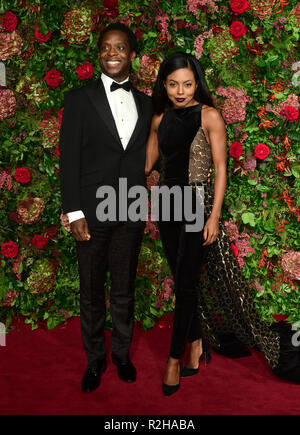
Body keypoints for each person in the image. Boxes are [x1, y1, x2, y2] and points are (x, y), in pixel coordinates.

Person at [145, 52, 300, 396]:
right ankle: (197, 343)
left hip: (196, 203)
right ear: (164, 85)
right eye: (173, 84)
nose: (180, 91)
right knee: (181, 277)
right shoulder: (159, 119)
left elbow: (220, 167)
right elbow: (146, 165)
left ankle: (174, 358)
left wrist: (213, 215)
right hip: (167, 205)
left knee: (186, 284)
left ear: (196, 82)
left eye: (187, 83)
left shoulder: (209, 115)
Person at [59, 22, 153, 393]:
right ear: (99, 53)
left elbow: (152, 154)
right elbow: (69, 161)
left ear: (132, 55)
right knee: (92, 290)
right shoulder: (79, 99)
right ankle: (95, 361)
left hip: (130, 209)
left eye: (120, 48)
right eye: (105, 48)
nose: (112, 54)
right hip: (92, 213)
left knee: (124, 290)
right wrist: (75, 212)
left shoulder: (147, 103)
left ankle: (122, 355)